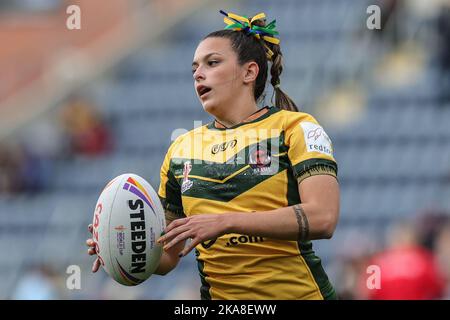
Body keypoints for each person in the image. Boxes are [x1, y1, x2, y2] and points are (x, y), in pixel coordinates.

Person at [86, 10, 340, 300]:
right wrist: (125, 246)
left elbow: (323, 217)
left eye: (212, 62)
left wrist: (225, 221)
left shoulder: (296, 127)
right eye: (194, 67)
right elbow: (169, 255)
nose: (198, 73)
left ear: (249, 72)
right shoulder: (181, 149)